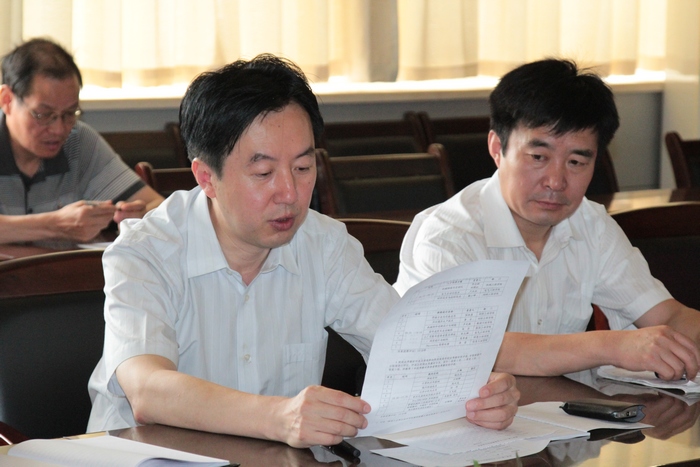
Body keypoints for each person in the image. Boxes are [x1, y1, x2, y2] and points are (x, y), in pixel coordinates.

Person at [86, 54, 519, 448]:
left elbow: (406, 346)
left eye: (303, 166)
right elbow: (148, 390)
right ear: (206, 177)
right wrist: (278, 417)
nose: (290, 193)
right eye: (263, 172)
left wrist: (478, 390)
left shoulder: (323, 244)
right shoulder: (145, 252)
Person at [395, 58, 700, 381]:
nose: (556, 181)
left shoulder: (591, 224)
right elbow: (469, 350)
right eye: (538, 157)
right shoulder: (448, 236)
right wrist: (610, 345)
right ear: (497, 148)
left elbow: (668, 315)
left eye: (576, 162)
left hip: (564, 409)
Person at [0, 38, 163, 244]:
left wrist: (140, 219)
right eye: (44, 114)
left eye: (70, 113)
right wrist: (56, 224)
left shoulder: (78, 141)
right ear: (7, 100)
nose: (59, 129)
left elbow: (157, 206)